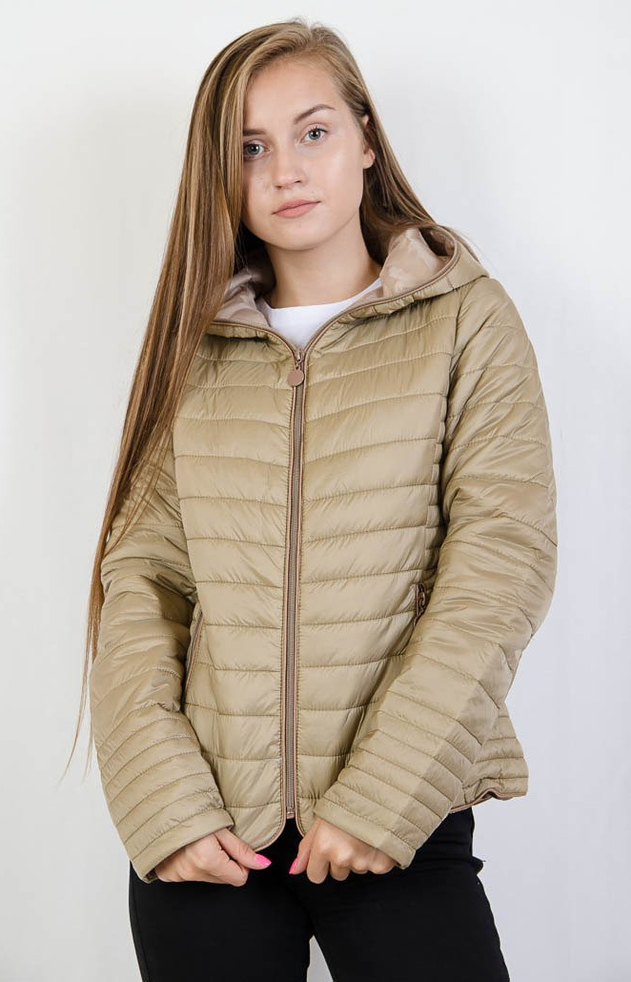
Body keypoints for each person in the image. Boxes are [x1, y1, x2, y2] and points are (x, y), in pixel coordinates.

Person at [66, 16, 558, 982]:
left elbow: (500, 569)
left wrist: (384, 797)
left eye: (313, 131)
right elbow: (144, 582)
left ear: (366, 139)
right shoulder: (192, 346)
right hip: (211, 835)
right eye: (250, 147)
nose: (285, 169)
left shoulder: (468, 320)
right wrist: (163, 803)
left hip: (399, 821)